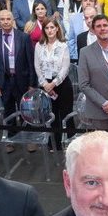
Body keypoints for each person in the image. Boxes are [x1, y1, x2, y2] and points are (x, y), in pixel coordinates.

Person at [0, 9, 37, 147]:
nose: (5, 22)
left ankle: (29, 139)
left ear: (13, 20)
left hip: (22, 80)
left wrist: (32, 83)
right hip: (4, 81)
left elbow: (30, 62)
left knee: (26, 110)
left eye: (8, 19)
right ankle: (11, 138)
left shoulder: (23, 37)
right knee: (8, 111)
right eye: (2, 19)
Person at [33, 17, 76, 150]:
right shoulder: (39, 45)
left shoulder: (63, 45)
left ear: (57, 28)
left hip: (62, 84)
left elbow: (65, 67)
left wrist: (54, 83)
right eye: (47, 28)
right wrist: (44, 83)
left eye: (52, 27)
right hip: (45, 84)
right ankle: (54, 143)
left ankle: (70, 144)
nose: (50, 30)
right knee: (51, 115)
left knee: (66, 114)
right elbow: (37, 66)